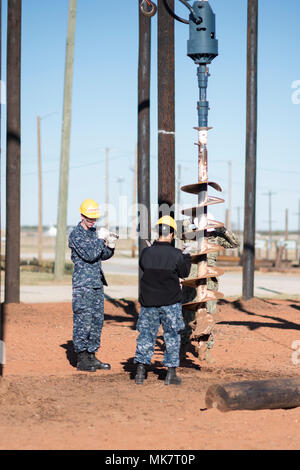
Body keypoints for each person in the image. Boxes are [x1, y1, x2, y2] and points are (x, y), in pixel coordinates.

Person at [134, 216, 191, 385]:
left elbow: (144, 266)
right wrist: (186, 255)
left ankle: (140, 373)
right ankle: (170, 374)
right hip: (170, 303)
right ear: (172, 233)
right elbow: (184, 273)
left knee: (146, 335)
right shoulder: (176, 254)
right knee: (172, 336)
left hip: (148, 302)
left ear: (158, 232)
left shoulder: (146, 252)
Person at [68, 198, 118, 372]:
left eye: (94, 219)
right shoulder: (76, 235)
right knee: (83, 320)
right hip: (83, 285)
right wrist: (100, 240)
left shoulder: (94, 232)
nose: (92, 222)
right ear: (82, 216)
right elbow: (90, 254)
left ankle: (92, 355)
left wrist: (110, 245)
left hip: (96, 283)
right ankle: (81, 359)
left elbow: (101, 254)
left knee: (97, 321)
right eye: (90, 219)